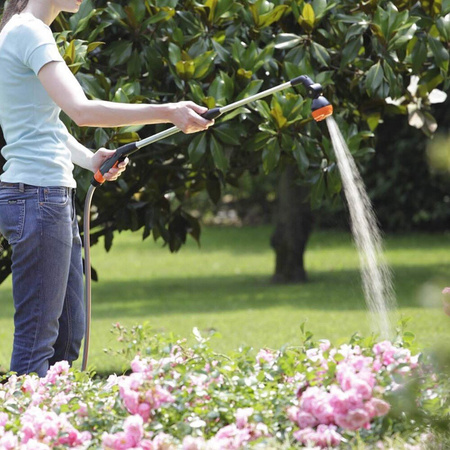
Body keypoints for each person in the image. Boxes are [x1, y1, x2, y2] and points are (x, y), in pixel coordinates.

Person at [0, 0, 213, 377]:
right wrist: (169, 112)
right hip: (38, 198)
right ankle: (20, 432)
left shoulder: (20, 30)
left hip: (45, 196)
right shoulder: (30, 32)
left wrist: (89, 160)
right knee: (38, 343)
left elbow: (40, 122)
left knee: (67, 339)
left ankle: (54, 430)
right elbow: (81, 110)